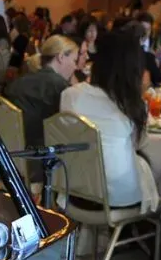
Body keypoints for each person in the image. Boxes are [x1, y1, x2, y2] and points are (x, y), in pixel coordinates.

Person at [61, 30, 155, 208]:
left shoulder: (70, 95)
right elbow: (139, 144)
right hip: (117, 197)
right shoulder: (132, 105)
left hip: (73, 191)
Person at [2, 34, 77, 171]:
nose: (75, 67)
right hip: (37, 158)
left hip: (8, 153)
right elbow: (70, 127)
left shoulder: (19, 82)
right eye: (74, 60)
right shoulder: (59, 86)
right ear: (61, 57)